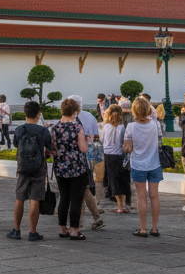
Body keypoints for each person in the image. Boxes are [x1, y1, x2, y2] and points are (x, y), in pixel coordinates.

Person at [7, 99, 50, 240]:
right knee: (35, 199)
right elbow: (50, 147)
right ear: (39, 114)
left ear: (25, 114)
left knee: (19, 198)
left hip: (23, 168)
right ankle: (32, 232)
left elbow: (15, 144)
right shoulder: (43, 131)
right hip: (38, 168)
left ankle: (16, 230)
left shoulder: (19, 130)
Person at [51, 97, 89, 240]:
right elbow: (83, 148)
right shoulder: (77, 127)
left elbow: (53, 149)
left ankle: (62, 228)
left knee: (64, 198)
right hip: (77, 168)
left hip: (60, 167)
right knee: (76, 199)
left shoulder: (55, 128)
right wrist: (88, 141)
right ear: (75, 112)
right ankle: (74, 230)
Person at [124, 95, 162, 237]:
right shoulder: (155, 124)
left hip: (138, 164)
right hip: (154, 163)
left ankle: (143, 229)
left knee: (141, 197)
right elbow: (160, 143)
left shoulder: (131, 127)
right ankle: (154, 228)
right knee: (154, 196)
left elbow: (126, 147)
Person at [68, 95, 104, 230]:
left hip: (75, 158)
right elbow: (95, 135)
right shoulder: (89, 116)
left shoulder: (71, 120)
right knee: (85, 188)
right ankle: (96, 217)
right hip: (88, 155)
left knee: (78, 190)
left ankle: (79, 221)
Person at [100, 104, 131, 213]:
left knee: (113, 180)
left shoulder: (106, 126)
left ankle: (120, 206)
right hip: (119, 154)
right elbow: (123, 140)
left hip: (109, 154)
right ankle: (123, 204)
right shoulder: (121, 127)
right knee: (122, 178)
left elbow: (102, 140)